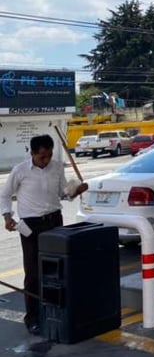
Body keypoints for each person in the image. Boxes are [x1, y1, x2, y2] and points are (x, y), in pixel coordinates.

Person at [0, 134, 88, 335]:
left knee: (58, 270)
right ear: (32, 153)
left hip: (54, 221)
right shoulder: (20, 170)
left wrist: (76, 190)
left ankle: (57, 312)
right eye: (42, 157)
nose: (46, 160)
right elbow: (4, 195)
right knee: (33, 273)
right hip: (30, 225)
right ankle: (32, 318)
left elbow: (63, 194)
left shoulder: (57, 167)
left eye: (49, 155)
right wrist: (7, 216)